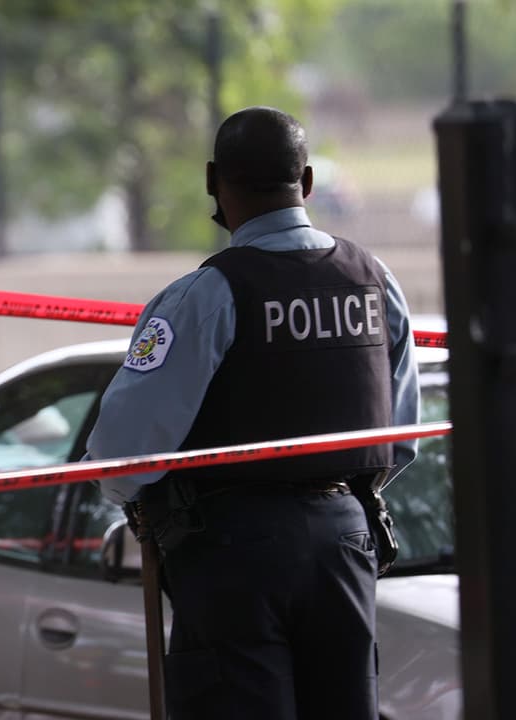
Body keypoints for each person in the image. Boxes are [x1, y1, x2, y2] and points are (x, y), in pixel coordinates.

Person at [83, 106, 420, 720]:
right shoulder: (375, 281)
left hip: (234, 555)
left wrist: (132, 498)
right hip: (345, 540)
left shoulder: (203, 296)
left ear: (214, 181)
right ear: (309, 182)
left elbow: (121, 453)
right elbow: (402, 435)